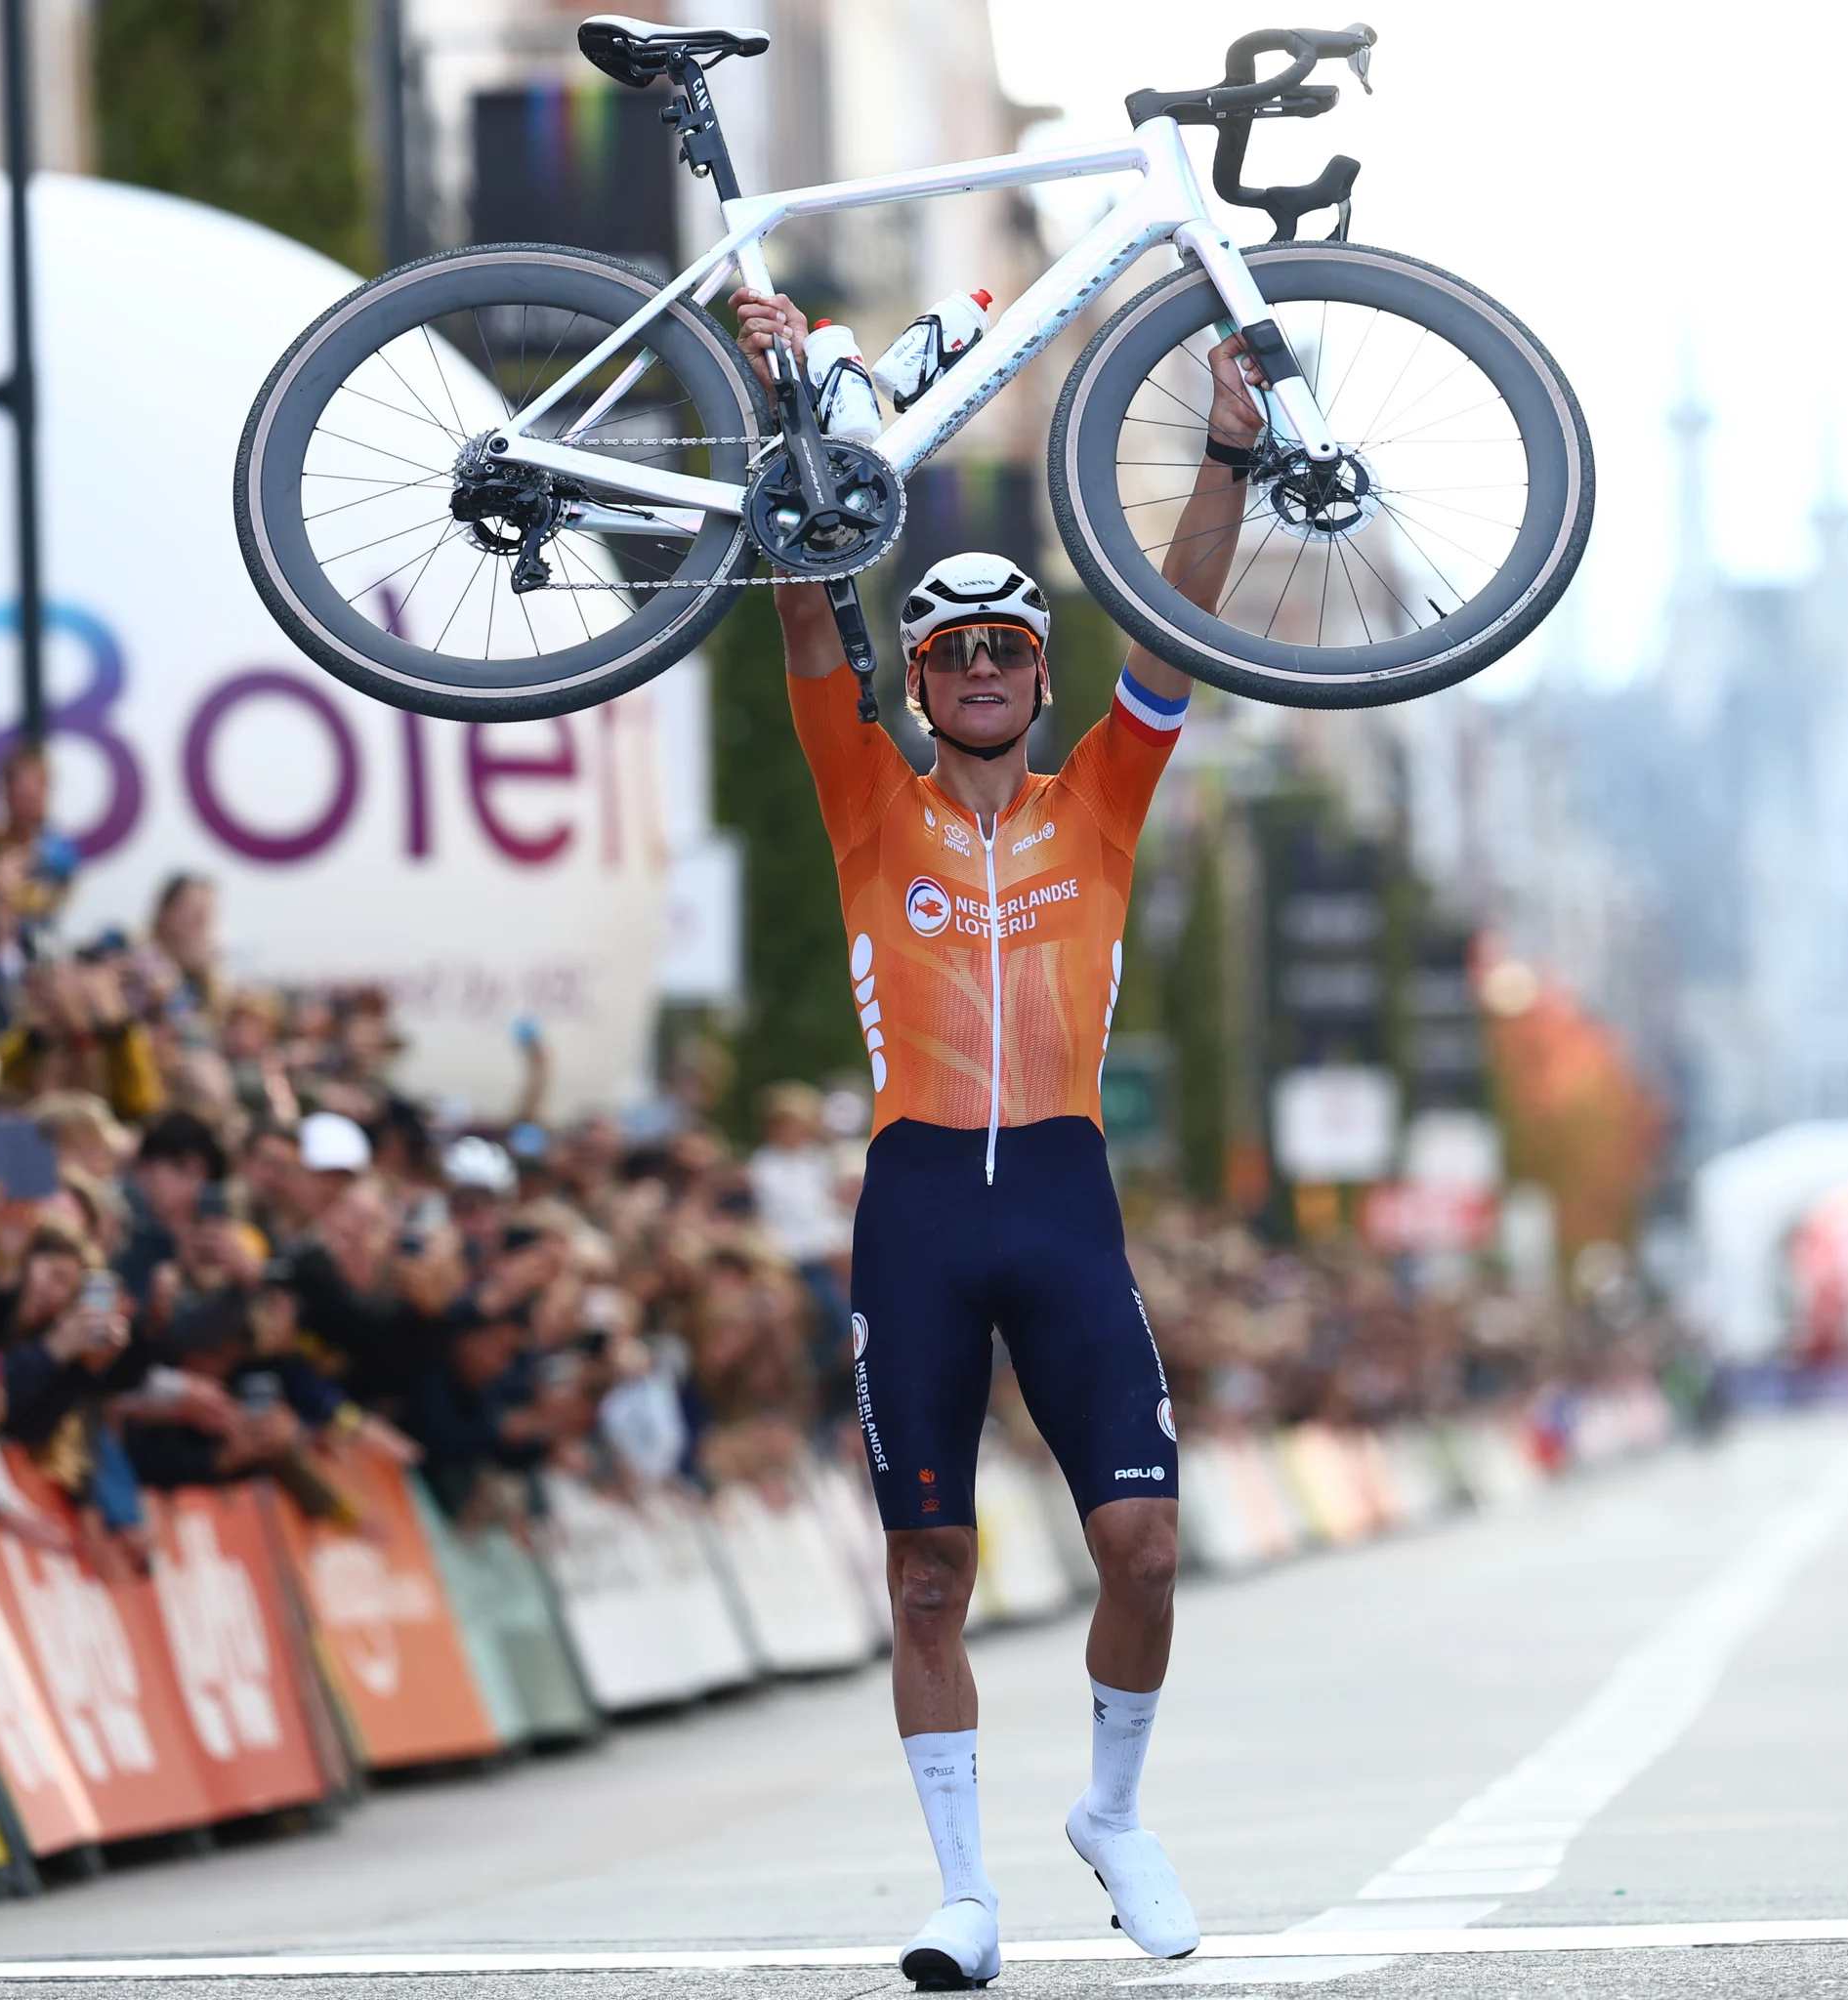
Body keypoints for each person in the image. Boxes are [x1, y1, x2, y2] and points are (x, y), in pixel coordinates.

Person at [734, 288, 1262, 1986]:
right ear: (925, 678)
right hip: (913, 1208)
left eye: (1003, 650)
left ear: (1038, 676)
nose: (971, 668)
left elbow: (1176, 614)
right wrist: (780, 409)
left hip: (1058, 1186)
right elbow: (807, 603)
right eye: (947, 648)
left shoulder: (1098, 797)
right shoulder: (860, 791)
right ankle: (964, 1890)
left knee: (1145, 1546)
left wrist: (1233, 450)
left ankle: (1112, 1812)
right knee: (931, 1575)